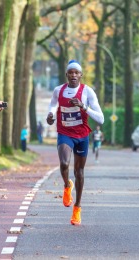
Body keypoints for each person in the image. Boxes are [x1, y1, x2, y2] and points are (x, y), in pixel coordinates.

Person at [46, 60, 104, 225]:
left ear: (80, 75)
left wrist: (84, 107)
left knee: (79, 172)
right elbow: (52, 106)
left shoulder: (87, 91)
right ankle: (66, 185)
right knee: (64, 164)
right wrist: (50, 116)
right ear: (66, 75)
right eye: (70, 72)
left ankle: (77, 208)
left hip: (82, 135)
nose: (73, 75)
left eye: (76, 72)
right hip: (65, 133)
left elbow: (101, 118)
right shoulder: (59, 90)